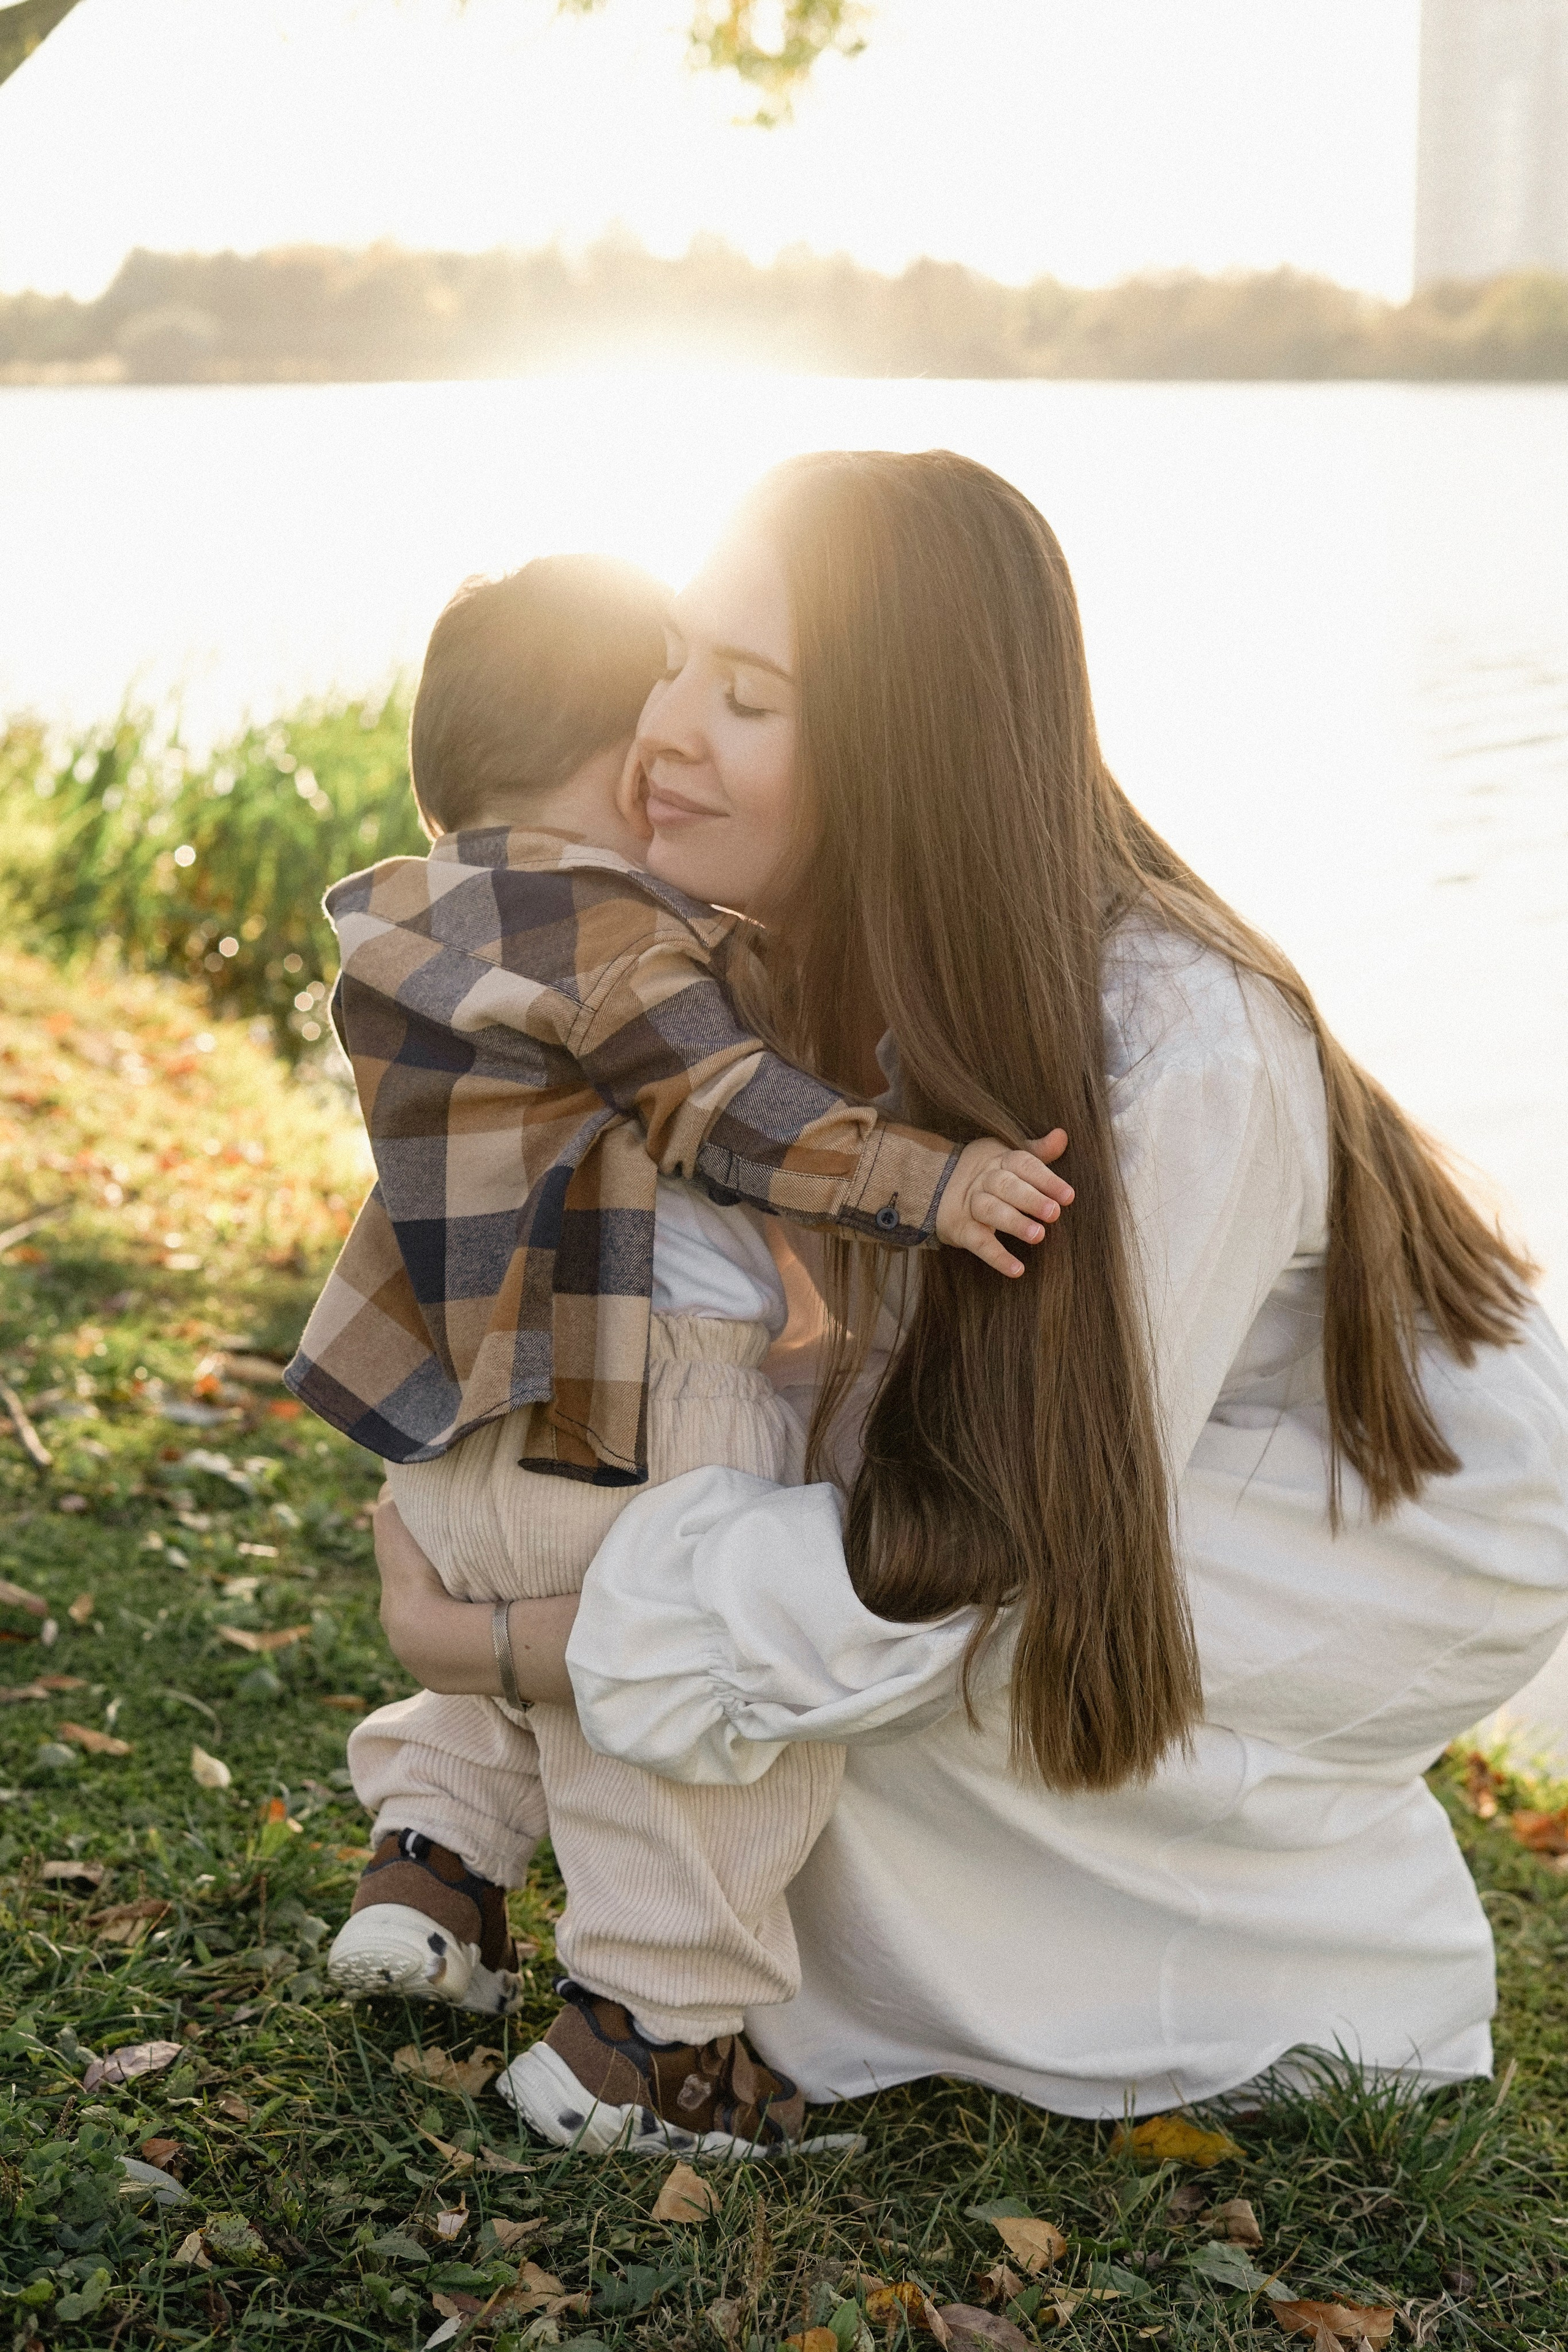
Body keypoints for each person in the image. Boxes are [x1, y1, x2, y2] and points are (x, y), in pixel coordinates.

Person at [375, 450, 1568, 2127]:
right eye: (669, 667)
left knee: (880, 1685)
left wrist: (509, 1639)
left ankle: (1285, 2000)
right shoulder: (743, 962)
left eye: (748, 697)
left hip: (1381, 1514)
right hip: (1103, 1439)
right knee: (754, 1598)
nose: (663, 735)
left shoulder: (1185, 1041)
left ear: (899, 742)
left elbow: (966, 1554)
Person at [287, 552, 1072, 2153]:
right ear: (619, 761)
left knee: (515, 1691)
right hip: (646, 1413)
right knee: (705, 1754)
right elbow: (734, 1112)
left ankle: (432, 1879)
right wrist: (941, 1177)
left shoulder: (423, 929)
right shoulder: (625, 943)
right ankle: (647, 2052)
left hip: (459, 1430)